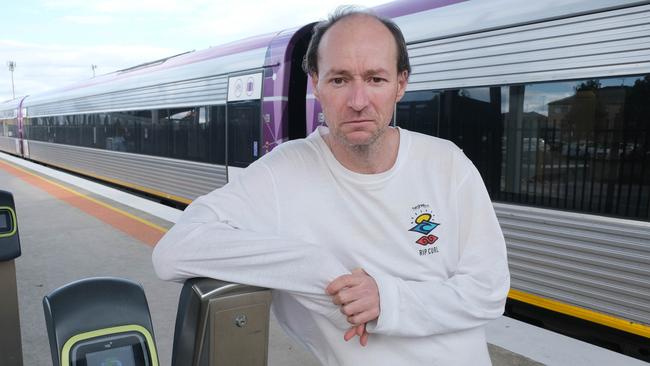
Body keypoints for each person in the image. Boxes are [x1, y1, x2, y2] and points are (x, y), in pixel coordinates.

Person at [153, 6, 510, 366]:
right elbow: (173, 252)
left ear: (401, 84)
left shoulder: (447, 164)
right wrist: (318, 266)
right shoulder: (283, 173)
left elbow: (489, 292)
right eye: (339, 80)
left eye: (375, 79)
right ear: (316, 84)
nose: (358, 102)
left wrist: (387, 300)